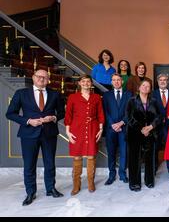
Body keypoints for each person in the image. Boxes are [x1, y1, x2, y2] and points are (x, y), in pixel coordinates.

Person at [5, 69, 65, 206]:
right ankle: (30, 192)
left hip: (49, 133)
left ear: (48, 79)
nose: (42, 79)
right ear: (33, 77)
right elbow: (10, 114)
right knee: (29, 165)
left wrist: (54, 117)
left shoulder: (55, 94)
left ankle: (51, 189)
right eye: (39, 77)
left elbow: (62, 112)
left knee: (50, 163)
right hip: (28, 134)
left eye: (45, 77)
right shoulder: (21, 93)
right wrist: (28, 121)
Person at [65, 75, 105, 195]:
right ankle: (76, 185)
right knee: (77, 157)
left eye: (88, 81)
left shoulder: (97, 97)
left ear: (91, 84)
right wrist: (68, 131)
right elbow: (68, 115)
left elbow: (100, 114)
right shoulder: (72, 97)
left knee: (91, 157)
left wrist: (101, 129)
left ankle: (90, 183)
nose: (86, 83)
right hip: (76, 129)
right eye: (84, 81)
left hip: (93, 128)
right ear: (79, 83)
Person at [126, 79, 161, 191]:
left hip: (150, 134)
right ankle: (134, 183)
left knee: (150, 159)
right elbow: (128, 117)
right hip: (135, 134)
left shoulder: (154, 101)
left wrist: (151, 127)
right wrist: (141, 129)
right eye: (144, 85)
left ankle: (149, 181)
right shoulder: (131, 101)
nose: (146, 87)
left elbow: (159, 117)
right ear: (139, 87)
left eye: (148, 86)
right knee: (134, 160)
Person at [102, 73, 132, 185]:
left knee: (124, 152)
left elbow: (130, 111)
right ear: (111, 82)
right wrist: (113, 124)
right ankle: (111, 175)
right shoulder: (106, 95)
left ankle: (123, 174)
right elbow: (105, 112)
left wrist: (121, 123)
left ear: (122, 81)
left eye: (118, 80)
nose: (116, 82)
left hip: (124, 128)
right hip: (111, 129)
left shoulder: (128, 94)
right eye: (114, 80)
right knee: (111, 152)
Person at [152, 73, 169, 176]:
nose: (162, 81)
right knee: (155, 148)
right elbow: (151, 110)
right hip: (156, 126)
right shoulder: (153, 94)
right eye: (160, 80)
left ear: (167, 81)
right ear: (157, 81)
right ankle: (154, 168)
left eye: (165, 80)